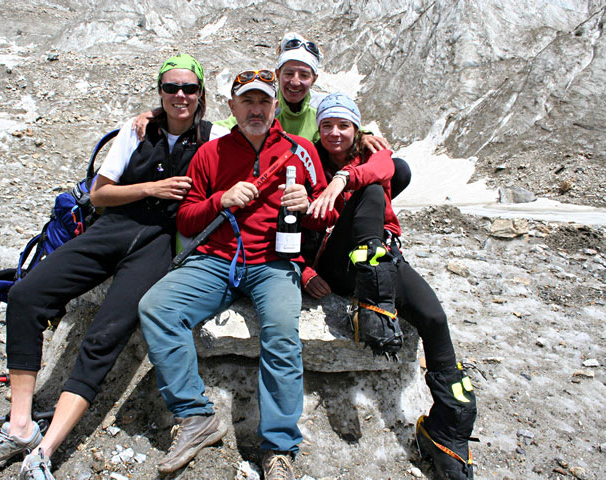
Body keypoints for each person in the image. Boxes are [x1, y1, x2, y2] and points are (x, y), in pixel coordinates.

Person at [0, 54, 228, 480]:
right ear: (160, 91)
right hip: (112, 228)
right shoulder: (137, 129)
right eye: (171, 88)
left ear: (202, 95)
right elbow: (101, 194)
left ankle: (45, 449)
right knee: (26, 295)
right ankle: (20, 426)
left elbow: (263, 126)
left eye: (190, 89)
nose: (180, 96)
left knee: (106, 334)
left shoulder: (216, 139)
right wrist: (152, 187)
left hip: (159, 244)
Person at [138, 69, 336, 480]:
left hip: (274, 263)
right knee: (156, 307)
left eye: (264, 101)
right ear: (232, 107)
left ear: (275, 105)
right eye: (247, 101)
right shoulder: (210, 153)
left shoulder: (301, 150)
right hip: (215, 260)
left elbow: (326, 216)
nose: (256, 109)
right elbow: (188, 221)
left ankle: (278, 447)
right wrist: (218, 200)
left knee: (282, 333)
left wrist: (307, 205)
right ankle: (195, 417)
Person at [304, 92, 478, 480]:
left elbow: (391, 165)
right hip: (336, 261)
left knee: (434, 317)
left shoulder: (368, 156)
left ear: (357, 129)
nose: (334, 133)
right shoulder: (308, 160)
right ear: (318, 129)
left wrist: (344, 177)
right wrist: (303, 270)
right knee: (370, 190)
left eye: (343, 125)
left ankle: (450, 428)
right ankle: (371, 297)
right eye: (327, 125)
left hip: (379, 258)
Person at [133, 32, 412, 198]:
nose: (295, 81)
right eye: (288, 73)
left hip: (315, 184)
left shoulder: (319, 110)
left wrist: (365, 136)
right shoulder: (263, 110)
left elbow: (341, 131)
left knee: (398, 169)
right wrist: (164, 113)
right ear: (277, 75)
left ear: (314, 79)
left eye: (303, 75)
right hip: (277, 190)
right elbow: (219, 126)